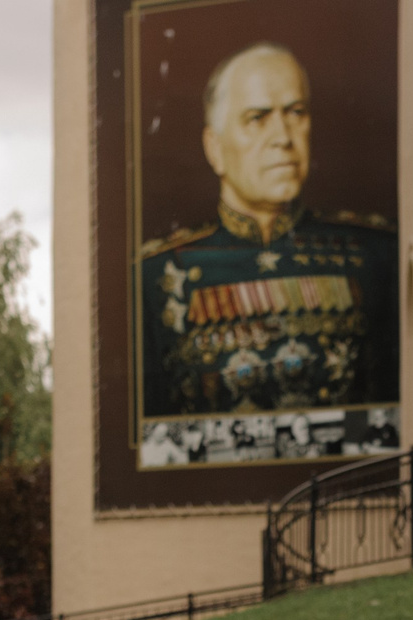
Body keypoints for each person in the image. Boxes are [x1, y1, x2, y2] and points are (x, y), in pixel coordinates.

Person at [136, 41, 399, 424]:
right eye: (258, 118)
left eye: (296, 113)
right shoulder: (153, 275)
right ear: (215, 148)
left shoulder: (376, 254)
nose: (283, 138)